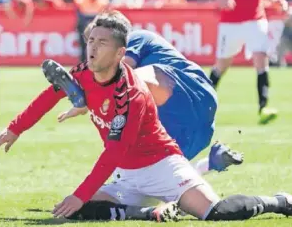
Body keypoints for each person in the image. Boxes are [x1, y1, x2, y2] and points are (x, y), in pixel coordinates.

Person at [0, 11, 292, 223]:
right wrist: (15, 129)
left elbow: (115, 150)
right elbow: (48, 95)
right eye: (89, 41)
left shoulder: (133, 87)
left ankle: (279, 201)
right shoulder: (84, 74)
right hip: (141, 163)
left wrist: (80, 191)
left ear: (120, 51)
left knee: (216, 213)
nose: (92, 48)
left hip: (172, 139)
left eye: (101, 42)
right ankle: (148, 211)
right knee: (76, 211)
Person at [59, 29, 243, 174]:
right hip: (191, 127)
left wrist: (86, 98)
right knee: (156, 178)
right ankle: (211, 163)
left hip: (189, 90)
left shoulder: (134, 38)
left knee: (129, 78)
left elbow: (123, 70)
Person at [202, 0, 288, 124]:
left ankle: (263, 107)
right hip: (230, 22)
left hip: (255, 19)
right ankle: (201, 102)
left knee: (261, 57)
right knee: (222, 65)